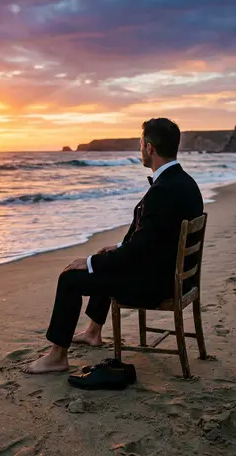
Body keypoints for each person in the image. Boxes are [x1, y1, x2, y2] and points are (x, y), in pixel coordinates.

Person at [23, 118, 204, 374]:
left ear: (150, 148)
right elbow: (159, 236)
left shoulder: (162, 191)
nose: (140, 149)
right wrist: (117, 248)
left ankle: (57, 357)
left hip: (155, 285)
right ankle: (93, 332)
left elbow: (137, 253)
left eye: (141, 144)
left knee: (71, 278)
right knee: (108, 256)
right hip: (174, 274)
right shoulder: (186, 183)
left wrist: (88, 263)